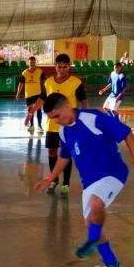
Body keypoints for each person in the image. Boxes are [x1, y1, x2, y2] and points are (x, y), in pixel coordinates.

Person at [34, 93, 134, 267]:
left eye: (57, 116)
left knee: (95, 204)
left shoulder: (93, 118)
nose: (56, 121)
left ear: (68, 106)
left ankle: (92, 241)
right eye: (52, 119)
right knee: (92, 221)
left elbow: (126, 132)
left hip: (113, 173)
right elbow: (64, 157)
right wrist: (50, 177)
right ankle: (112, 263)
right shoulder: (63, 132)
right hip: (89, 182)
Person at [27, 53, 87, 197]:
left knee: (67, 154)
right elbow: (42, 100)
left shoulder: (76, 83)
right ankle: (54, 180)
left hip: (69, 126)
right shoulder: (48, 82)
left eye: (65, 67)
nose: (61, 69)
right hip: (52, 125)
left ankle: (65, 184)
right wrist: (32, 112)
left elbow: (83, 102)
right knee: (52, 152)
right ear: (55, 67)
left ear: (69, 67)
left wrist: (83, 119)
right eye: (59, 66)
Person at [16, 56, 45, 134]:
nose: (32, 63)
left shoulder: (40, 71)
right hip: (28, 95)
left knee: (38, 110)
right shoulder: (24, 73)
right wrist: (18, 93)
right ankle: (31, 126)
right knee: (30, 110)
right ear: (28, 63)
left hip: (38, 94)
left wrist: (44, 92)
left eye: (33, 62)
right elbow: (21, 84)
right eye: (30, 62)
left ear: (35, 62)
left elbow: (43, 83)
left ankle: (39, 126)